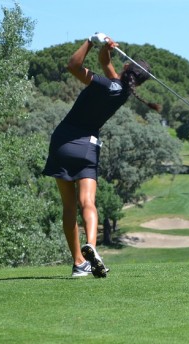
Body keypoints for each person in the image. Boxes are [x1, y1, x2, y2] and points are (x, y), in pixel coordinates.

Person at [43, 33, 160, 277]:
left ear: (127, 66)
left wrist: (90, 40)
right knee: (87, 202)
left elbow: (73, 66)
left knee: (68, 207)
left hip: (62, 142)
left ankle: (78, 263)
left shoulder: (107, 85)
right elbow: (106, 63)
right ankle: (92, 248)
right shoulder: (122, 90)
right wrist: (107, 48)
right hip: (87, 147)